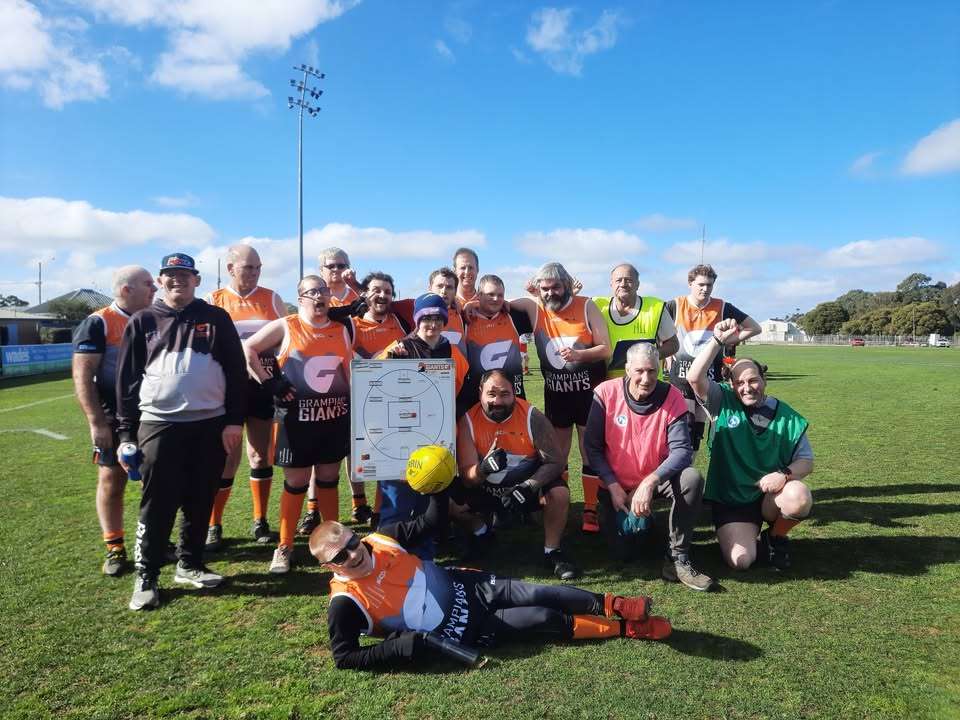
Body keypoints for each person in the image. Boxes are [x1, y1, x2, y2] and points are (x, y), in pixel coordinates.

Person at [309, 489, 671, 671]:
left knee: (539, 590)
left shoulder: (382, 538)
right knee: (541, 617)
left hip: (469, 585)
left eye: (352, 544)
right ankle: (625, 630)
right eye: (340, 556)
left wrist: (437, 487)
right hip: (464, 629)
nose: (354, 555)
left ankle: (616, 605)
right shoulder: (345, 602)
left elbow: (431, 523)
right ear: (329, 566)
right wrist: (400, 647)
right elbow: (345, 657)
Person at [116, 252, 247, 610]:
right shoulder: (143, 320)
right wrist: (126, 434)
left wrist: (234, 420)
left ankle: (189, 563)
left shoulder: (216, 317)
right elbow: (127, 381)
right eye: (170, 275)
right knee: (157, 502)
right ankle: (147, 575)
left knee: (200, 497)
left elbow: (237, 372)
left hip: (210, 424)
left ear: (197, 279)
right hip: (159, 423)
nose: (178, 280)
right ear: (160, 280)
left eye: (185, 275)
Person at [243, 275, 355, 574]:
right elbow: (249, 349)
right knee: (296, 483)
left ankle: (335, 545)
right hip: (296, 421)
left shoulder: (341, 330)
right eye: (312, 292)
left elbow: (351, 370)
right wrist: (269, 383)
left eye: (323, 291)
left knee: (329, 480)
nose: (319, 297)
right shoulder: (287, 325)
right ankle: (284, 547)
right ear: (301, 296)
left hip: (334, 417)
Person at [687, 318, 814, 571]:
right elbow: (694, 377)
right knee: (741, 561)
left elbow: (806, 462)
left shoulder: (787, 416)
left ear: (764, 380)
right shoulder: (721, 401)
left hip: (769, 497)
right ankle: (750, 538)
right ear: (731, 385)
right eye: (740, 383)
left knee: (799, 497)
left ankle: (775, 537)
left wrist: (783, 475)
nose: (747, 388)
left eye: (753, 380)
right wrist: (716, 341)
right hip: (732, 501)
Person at [583, 344, 712, 591]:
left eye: (652, 371)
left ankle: (678, 557)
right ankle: (643, 520)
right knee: (625, 553)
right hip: (616, 486)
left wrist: (649, 482)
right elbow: (593, 448)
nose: (646, 378)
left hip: (656, 479)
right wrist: (611, 483)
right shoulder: (606, 393)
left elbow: (682, 451)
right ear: (627, 369)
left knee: (691, 479)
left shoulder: (672, 395)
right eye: (639, 370)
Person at [507, 262, 610, 534]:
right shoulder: (536, 307)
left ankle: (590, 508)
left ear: (567, 285)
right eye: (545, 288)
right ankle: (557, 502)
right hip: (557, 395)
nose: (551, 292)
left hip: (589, 395)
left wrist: (580, 355)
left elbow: (605, 348)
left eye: (556, 286)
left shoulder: (586, 305)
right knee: (557, 455)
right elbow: (503, 304)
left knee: (590, 453)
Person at [72, 265, 156, 576]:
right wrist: (96, 422)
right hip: (113, 416)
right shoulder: (99, 323)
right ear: (126, 290)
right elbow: (82, 375)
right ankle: (115, 547)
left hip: (152, 413)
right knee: (111, 479)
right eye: (148, 285)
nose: (155, 289)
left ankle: (155, 540)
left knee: (158, 480)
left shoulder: (153, 318)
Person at [455, 370, 579, 580]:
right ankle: (482, 533)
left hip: (524, 492)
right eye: (491, 394)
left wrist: (529, 485)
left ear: (515, 393)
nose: (498, 401)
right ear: (480, 393)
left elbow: (556, 461)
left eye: (505, 394)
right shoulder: (467, 421)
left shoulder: (532, 417)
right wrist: (483, 468)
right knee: (448, 500)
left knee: (559, 492)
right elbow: (467, 477)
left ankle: (553, 551)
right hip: (486, 489)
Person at [204, 244, 287, 551]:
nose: (252, 273)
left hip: (261, 386)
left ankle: (260, 520)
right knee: (226, 458)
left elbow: (286, 339)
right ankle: (214, 523)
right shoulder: (213, 300)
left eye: (257, 268)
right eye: (246, 267)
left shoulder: (272, 299)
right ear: (230, 269)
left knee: (260, 455)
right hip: (224, 389)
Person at [374, 293, 469, 547]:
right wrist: (388, 361)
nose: (433, 323)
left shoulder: (451, 351)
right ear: (417, 320)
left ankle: (424, 559)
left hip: (434, 438)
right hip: (399, 438)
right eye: (426, 318)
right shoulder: (399, 347)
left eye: (438, 318)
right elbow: (371, 385)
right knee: (397, 503)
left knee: (428, 503)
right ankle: (387, 556)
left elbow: (457, 392)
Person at [665, 264, 760, 453]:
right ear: (690, 283)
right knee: (685, 428)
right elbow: (659, 334)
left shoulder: (722, 307)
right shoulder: (674, 305)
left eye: (709, 285)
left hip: (708, 379)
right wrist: (668, 356)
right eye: (700, 284)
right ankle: (681, 473)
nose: (705, 289)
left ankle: (687, 472)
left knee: (697, 433)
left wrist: (725, 341)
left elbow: (755, 328)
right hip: (681, 379)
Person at [593, 263, 678, 378]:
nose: (623, 284)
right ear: (611, 284)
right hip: (610, 386)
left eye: (628, 280)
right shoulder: (596, 306)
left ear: (637, 285)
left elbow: (673, 344)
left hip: (647, 383)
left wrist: (649, 356)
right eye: (618, 280)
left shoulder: (655, 307)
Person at [461, 274, 529, 409]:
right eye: (490, 294)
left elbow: (542, 308)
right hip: (478, 399)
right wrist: (469, 304)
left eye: (500, 295)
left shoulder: (513, 316)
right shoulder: (465, 319)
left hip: (514, 395)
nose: (496, 299)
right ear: (479, 295)